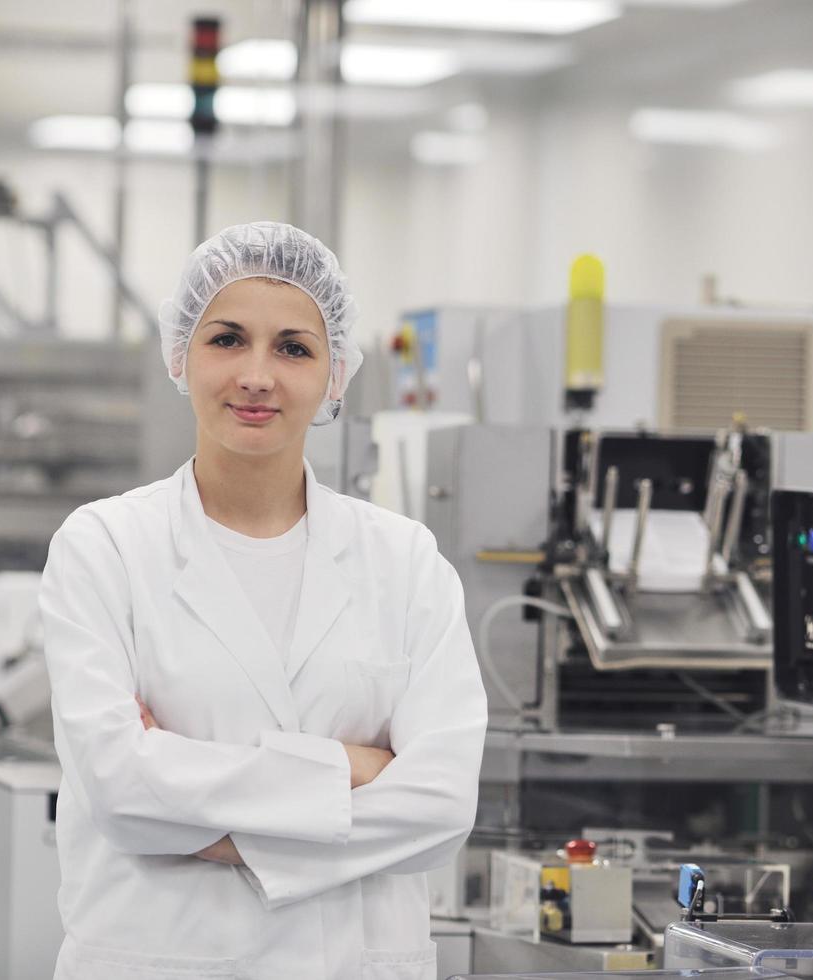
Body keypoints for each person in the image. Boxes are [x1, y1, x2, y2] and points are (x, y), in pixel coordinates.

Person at [39, 222, 487, 980]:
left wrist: (201, 809)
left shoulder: (404, 562)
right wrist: (356, 768)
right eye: (226, 339)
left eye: (293, 348)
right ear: (180, 354)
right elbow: (121, 794)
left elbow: (442, 808)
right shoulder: (105, 546)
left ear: (335, 374)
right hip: (161, 959)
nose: (256, 375)